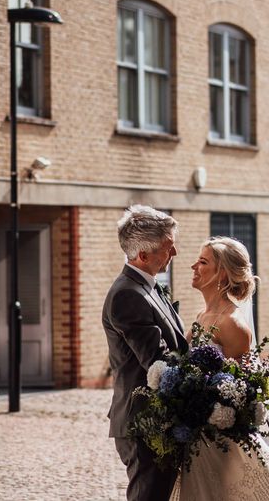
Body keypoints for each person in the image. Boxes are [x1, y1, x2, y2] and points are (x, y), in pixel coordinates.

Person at [172, 237, 269, 501]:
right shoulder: (202, 317)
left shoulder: (233, 324)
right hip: (197, 435)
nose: (193, 265)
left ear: (223, 273)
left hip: (220, 439)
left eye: (202, 262)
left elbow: (236, 390)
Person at [103, 205, 188, 501]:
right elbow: (158, 361)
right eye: (168, 246)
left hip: (158, 419)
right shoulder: (128, 294)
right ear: (143, 255)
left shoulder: (148, 286)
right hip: (143, 422)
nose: (174, 252)